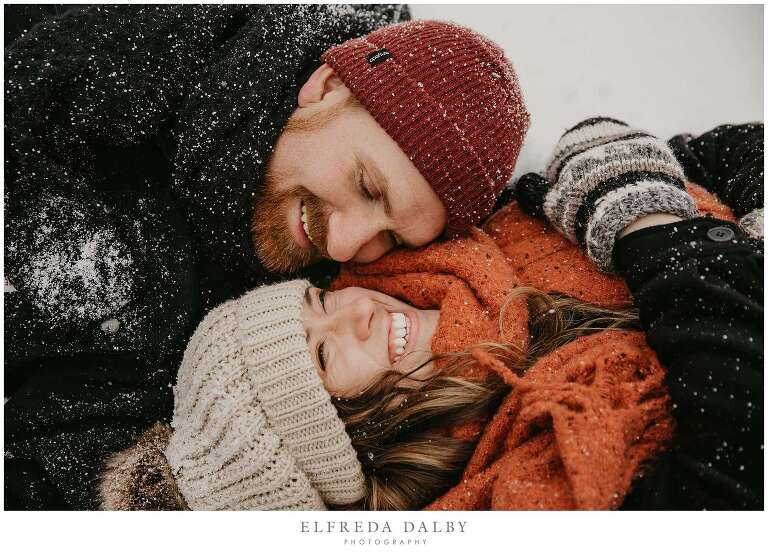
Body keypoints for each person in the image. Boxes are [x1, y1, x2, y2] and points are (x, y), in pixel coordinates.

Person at [4, 5, 529, 508]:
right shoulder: (81, 121)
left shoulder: (388, 110)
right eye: (367, 187)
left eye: (391, 238)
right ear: (327, 86)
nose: (345, 246)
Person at [87, 118, 761, 510]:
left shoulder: (457, 246)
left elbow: (721, 155)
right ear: (348, 443)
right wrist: (652, 231)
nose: (356, 311)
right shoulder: (509, 493)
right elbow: (735, 468)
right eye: (323, 355)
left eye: (320, 302)